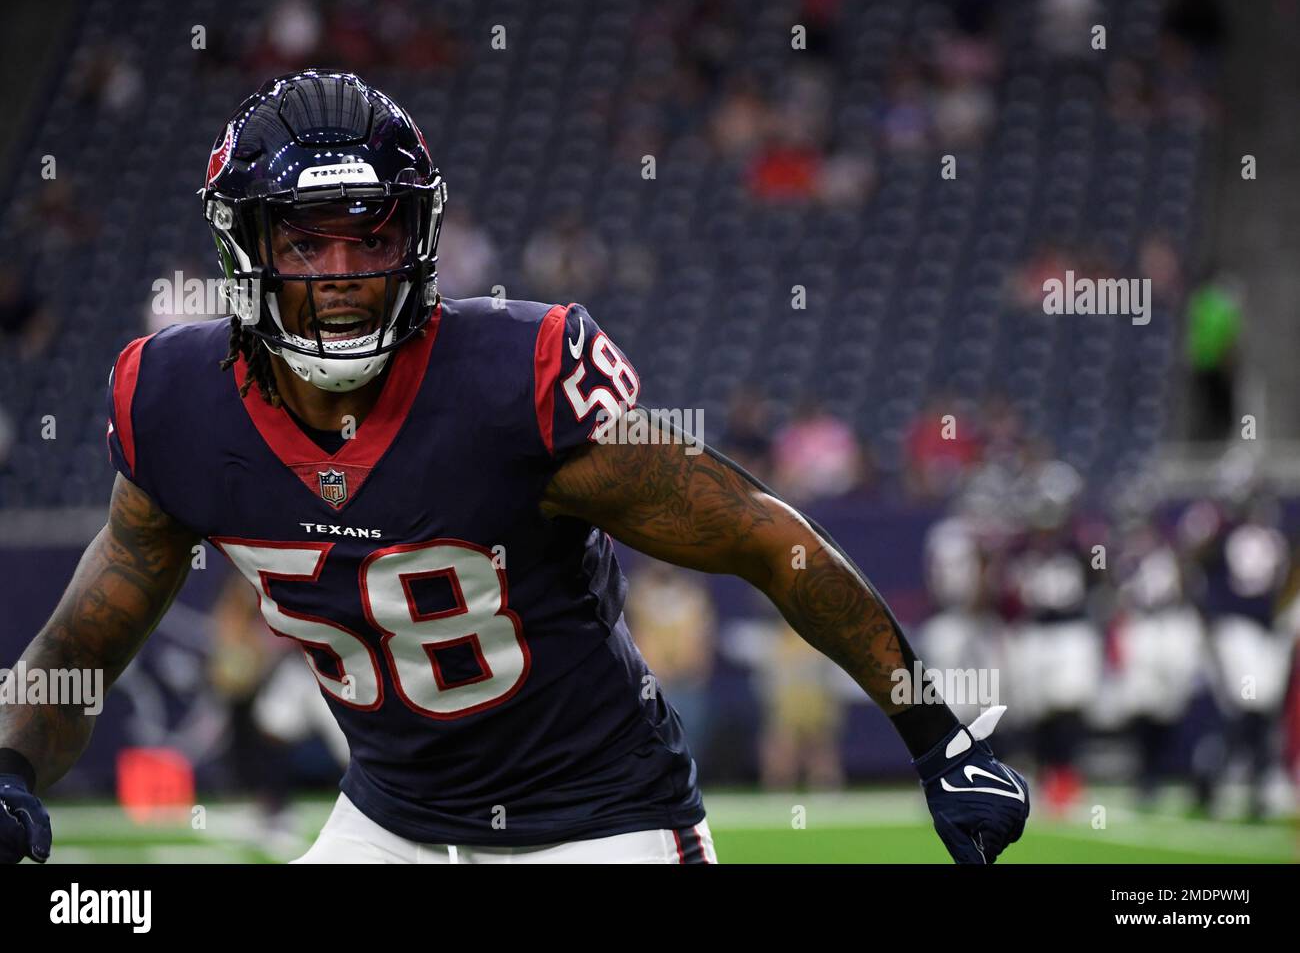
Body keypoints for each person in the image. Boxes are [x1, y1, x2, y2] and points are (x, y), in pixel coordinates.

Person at [0, 69, 1028, 864]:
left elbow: (764, 535)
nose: (349, 273)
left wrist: (935, 732)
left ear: (423, 234)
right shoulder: (173, 401)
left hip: (598, 821)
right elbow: (91, 627)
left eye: (376, 234)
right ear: (245, 248)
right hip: (389, 818)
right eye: (309, 242)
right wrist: (9, 767)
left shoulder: (513, 379)